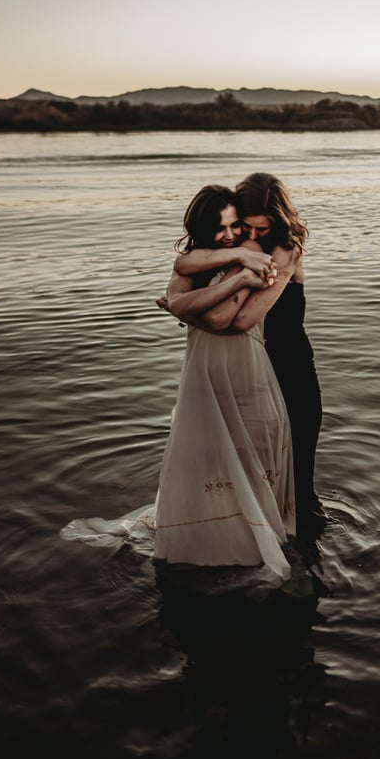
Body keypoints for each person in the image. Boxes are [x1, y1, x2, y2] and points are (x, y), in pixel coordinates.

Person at [62, 185, 296, 586]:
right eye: (220, 227)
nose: (229, 234)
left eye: (234, 226)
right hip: (203, 375)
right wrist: (238, 270)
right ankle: (214, 543)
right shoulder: (204, 261)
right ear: (203, 229)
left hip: (249, 371)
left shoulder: (262, 257)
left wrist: (191, 305)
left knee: (253, 459)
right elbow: (181, 298)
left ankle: (256, 543)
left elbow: (217, 319)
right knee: (204, 457)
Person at [170, 173, 324, 537]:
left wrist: (182, 309)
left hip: (292, 374)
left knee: (299, 487)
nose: (251, 236)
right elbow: (184, 265)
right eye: (246, 227)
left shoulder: (285, 249)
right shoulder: (241, 250)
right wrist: (238, 253)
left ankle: (306, 571)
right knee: (252, 479)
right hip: (253, 378)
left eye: (260, 229)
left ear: (278, 222)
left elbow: (239, 320)